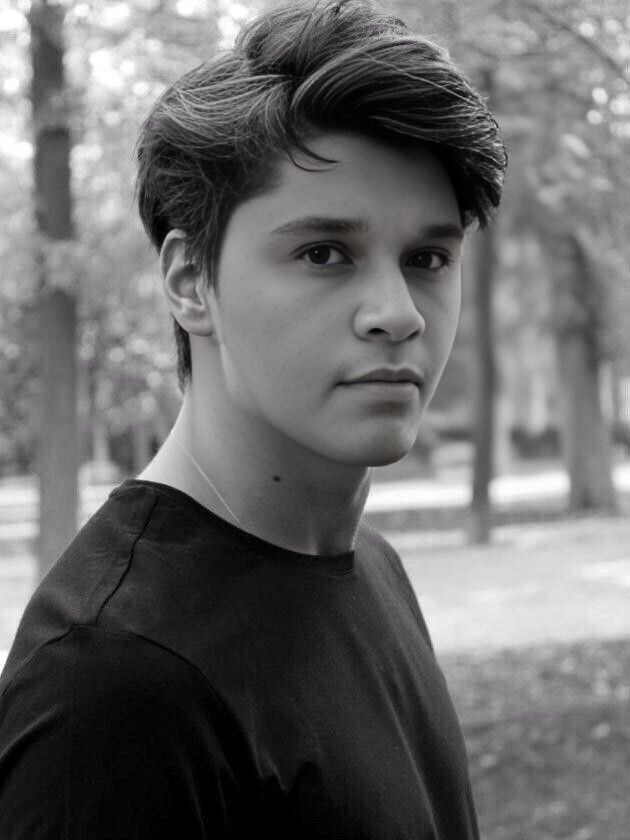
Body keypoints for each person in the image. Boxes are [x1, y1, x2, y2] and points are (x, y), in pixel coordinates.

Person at [0, 1, 506, 836]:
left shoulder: (371, 567)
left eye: (427, 258)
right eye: (323, 253)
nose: (398, 313)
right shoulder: (111, 684)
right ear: (190, 281)